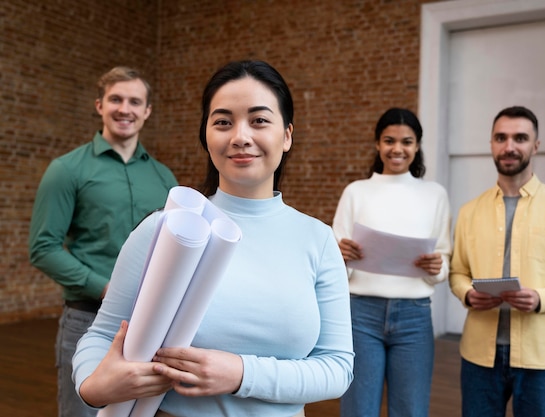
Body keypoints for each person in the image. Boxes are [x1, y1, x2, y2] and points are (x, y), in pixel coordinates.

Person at [72, 60, 354, 417]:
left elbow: (336, 368)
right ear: (206, 136)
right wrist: (93, 387)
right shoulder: (165, 229)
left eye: (259, 120)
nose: (240, 136)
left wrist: (240, 373)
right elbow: (103, 335)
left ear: (286, 136)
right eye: (222, 122)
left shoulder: (318, 239)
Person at [28, 66, 177, 417]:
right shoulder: (67, 170)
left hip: (148, 324)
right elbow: (43, 247)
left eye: (134, 101)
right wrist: (105, 287)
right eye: (116, 99)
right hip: (86, 321)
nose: (125, 108)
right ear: (100, 105)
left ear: (147, 111)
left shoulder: (163, 177)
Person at [449, 105, 545, 417]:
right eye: (500, 138)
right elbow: (458, 272)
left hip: (542, 358)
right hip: (479, 356)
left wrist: (541, 298)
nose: (509, 147)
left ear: (536, 145)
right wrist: (466, 293)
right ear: (491, 144)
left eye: (520, 138)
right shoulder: (469, 211)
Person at [332, 108, 451, 417]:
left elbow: (444, 255)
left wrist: (438, 268)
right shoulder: (356, 192)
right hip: (361, 314)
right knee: (359, 409)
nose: (397, 149)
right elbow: (334, 262)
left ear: (417, 146)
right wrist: (342, 256)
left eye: (407, 142)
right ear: (377, 144)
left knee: (410, 409)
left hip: (415, 316)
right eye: (389, 140)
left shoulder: (435, 195)